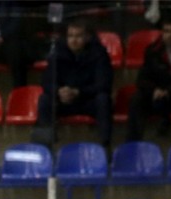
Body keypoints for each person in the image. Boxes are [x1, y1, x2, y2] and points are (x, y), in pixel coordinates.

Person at [33, 17, 113, 150]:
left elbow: (104, 84)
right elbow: (46, 82)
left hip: (88, 100)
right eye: (70, 36)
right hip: (64, 101)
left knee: (103, 99)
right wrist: (59, 91)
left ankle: (105, 146)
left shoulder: (99, 54)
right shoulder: (58, 52)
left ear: (87, 37)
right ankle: (44, 148)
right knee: (45, 100)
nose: (73, 40)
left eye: (78, 36)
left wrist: (78, 92)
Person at [126, 14, 171, 142]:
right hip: (157, 97)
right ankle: (132, 145)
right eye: (167, 31)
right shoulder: (152, 51)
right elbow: (142, 79)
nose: (170, 36)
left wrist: (169, 91)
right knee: (136, 99)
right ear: (162, 33)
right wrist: (154, 90)